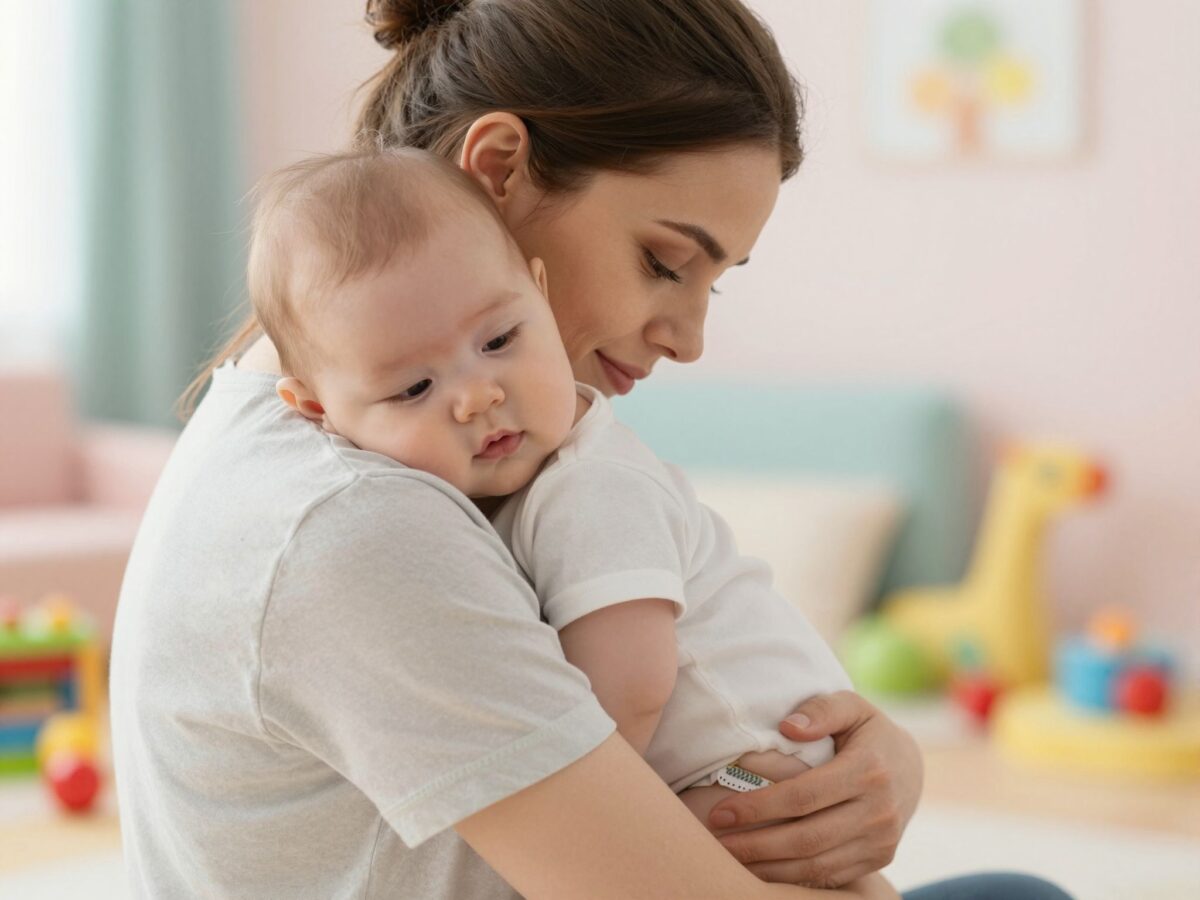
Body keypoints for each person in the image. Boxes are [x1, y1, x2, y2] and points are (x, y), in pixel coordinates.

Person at [110, 0, 1072, 897]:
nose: (689, 339)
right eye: (663, 262)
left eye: (713, 282)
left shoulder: (379, 440)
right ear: (498, 169)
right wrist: (778, 787)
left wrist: (869, 768)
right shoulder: (354, 524)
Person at [244, 144, 898, 899]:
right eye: (416, 388)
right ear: (317, 408)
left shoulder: (591, 483)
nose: (478, 396)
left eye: (499, 342)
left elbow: (630, 686)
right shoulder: (377, 513)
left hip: (751, 769)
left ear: (538, 292)